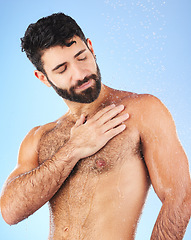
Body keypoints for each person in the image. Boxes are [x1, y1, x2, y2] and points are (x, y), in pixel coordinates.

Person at [0, 13, 191, 240]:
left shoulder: (141, 111)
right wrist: (73, 149)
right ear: (42, 77)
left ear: (90, 47)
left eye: (82, 57)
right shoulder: (39, 136)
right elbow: (10, 212)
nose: (80, 73)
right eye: (62, 69)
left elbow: (180, 196)